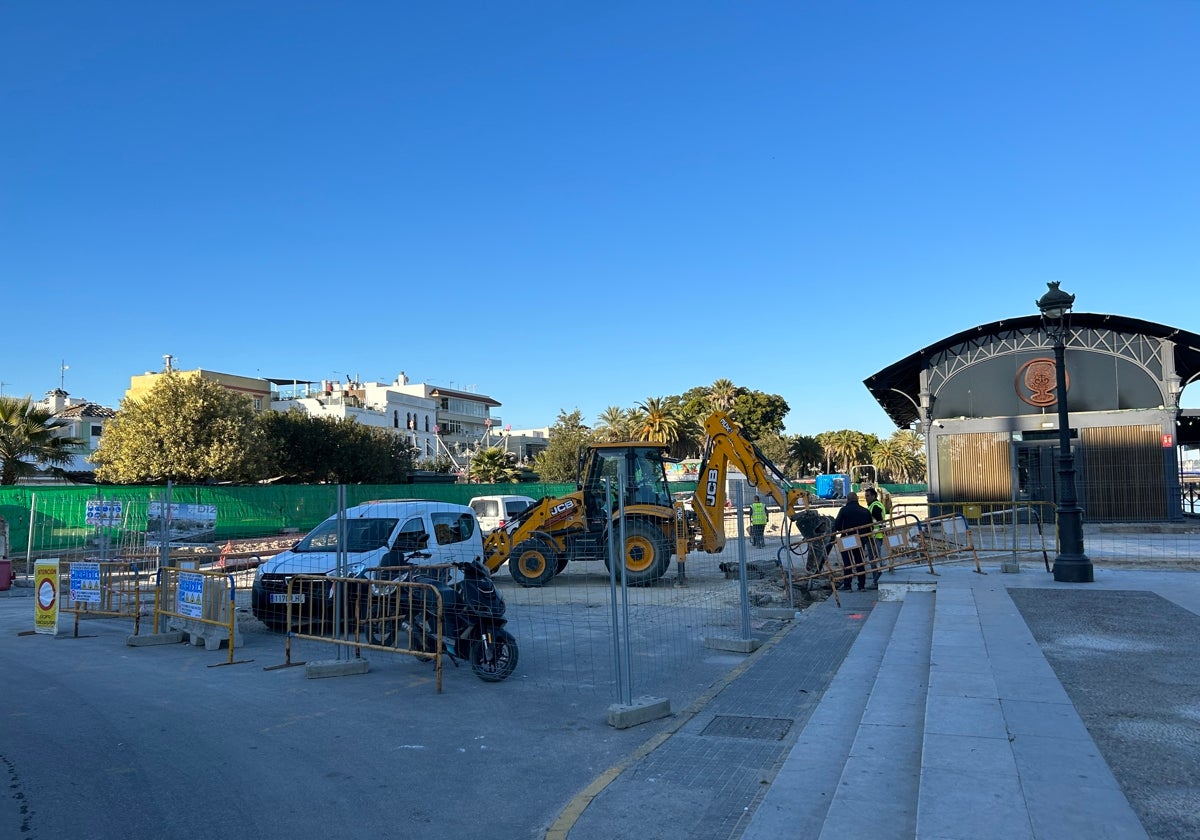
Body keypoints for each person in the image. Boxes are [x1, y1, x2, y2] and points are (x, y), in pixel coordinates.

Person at [832, 492, 873, 591]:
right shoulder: (865, 511)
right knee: (860, 562)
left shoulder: (844, 510)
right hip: (860, 539)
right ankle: (861, 585)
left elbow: (837, 525)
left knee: (848, 563)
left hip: (847, 539)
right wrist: (865, 538)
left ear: (847, 499)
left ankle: (847, 585)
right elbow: (870, 527)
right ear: (857, 499)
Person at [864, 487, 887, 586]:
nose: (866, 498)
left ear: (874, 496)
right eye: (865, 496)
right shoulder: (873, 505)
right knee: (875, 559)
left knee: (875, 559)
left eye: (868, 496)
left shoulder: (875, 506)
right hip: (875, 536)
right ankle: (877, 579)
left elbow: (880, 521)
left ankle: (877, 581)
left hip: (875, 537)